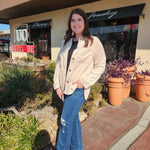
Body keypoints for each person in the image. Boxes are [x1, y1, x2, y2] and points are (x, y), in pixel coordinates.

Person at [53, 8, 106, 150]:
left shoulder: (93, 42)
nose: (76, 23)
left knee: (65, 121)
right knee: (73, 120)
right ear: (70, 23)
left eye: (79, 20)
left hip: (78, 90)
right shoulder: (66, 42)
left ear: (85, 22)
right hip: (64, 88)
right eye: (73, 20)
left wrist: (84, 82)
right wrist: (57, 85)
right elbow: (59, 64)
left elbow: (100, 65)